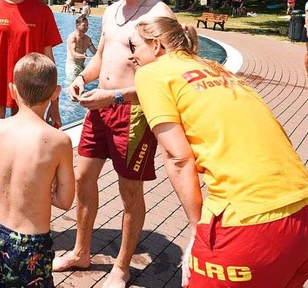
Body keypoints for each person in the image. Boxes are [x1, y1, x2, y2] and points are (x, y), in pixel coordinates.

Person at [132, 17, 308, 288]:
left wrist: (198, 230)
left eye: (134, 46)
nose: (132, 55)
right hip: (301, 214)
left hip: (249, 223)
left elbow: (177, 157)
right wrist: (115, 97)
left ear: (156, 46)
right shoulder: (215, 69)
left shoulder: (151, 73)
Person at [53, 0, 176, 287]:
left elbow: (165, 81)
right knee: (82, 178)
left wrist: (116, 95)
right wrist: (82, 78)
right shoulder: (111, 12)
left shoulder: (159, 16)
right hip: (100, 109)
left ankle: (121, 267)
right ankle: (81, 252)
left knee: (129, 191)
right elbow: (102, 58)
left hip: (132, 113)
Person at [0, 53, 75, 286]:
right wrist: (41, 187)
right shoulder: (58, 141)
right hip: (30, 245)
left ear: (12, 90)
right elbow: (65, 200)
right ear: (56, 93)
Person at [65, 15, 97, 84]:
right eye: (84, 25)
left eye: (87, 25)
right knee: (71, 87)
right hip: (72, 67)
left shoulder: (87, 39)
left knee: (82, 87)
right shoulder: (72, 37)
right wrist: (84, 56)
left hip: (82, 66)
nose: (86, 27)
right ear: (77, 25)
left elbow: (95, 52)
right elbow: (73, 54)